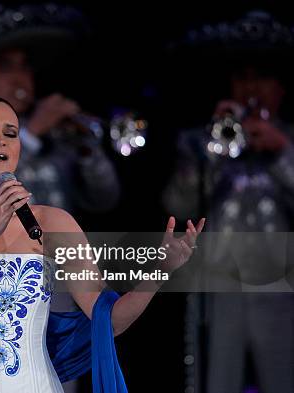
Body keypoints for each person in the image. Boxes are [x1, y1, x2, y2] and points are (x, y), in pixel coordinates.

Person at [0, 97, 205, 393]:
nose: (1, 141)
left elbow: (108, 321)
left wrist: (158, 271)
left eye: (10, 133)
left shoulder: (54, 223)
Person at [163, 10, 294, 393]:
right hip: (220, 290)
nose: (251, 88)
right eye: (242, 78)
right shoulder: (198, 141)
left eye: (262, 78)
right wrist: (213, 149)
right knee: (216, 381)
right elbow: (177, 205)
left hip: (283, 291)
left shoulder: (291, 138)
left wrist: (283, 150)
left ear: (281, 88)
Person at [0, 3, 120, 216]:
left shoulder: (56, 133)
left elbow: (103, 200)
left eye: (25, 67)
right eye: (5, 68)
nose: (20, 80)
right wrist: (31, 134)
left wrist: (88, 151)